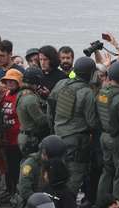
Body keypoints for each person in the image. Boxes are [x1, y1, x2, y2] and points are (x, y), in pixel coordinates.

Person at [48, 56, 97, 195]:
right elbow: (91, 122)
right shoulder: (87, 92)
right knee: (75, 173)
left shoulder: (61, 84)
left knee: (57, 172)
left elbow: (50, 108)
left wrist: (54, 127)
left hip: (57, 136)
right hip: (76, 139)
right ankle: (67, 204)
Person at [96, 61, 119, 204]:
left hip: (104, 135)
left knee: (107, 171)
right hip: (116, 138)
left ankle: (100, 205)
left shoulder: (102, 93)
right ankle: (117, 205)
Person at [14, 135, 65, 208]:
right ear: (43, 153)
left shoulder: (55, 162)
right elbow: (24, 190)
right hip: (32, 201)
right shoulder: (29, 165)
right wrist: (42, 202)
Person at [0, 69, 23, 196]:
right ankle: (10, 191)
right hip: (6, 138)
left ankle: (16, 192)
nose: (10, 83)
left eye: (13, 81)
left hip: (17, 139)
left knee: (15, 168)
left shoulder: (21, 96)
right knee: (7, 167)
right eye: (7, 81)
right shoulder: (5, 94)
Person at [15, 67, 49, 156]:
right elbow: (41, 121)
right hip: (31, 139)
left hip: (26, 136)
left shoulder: (21, 93)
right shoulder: (30, 98)